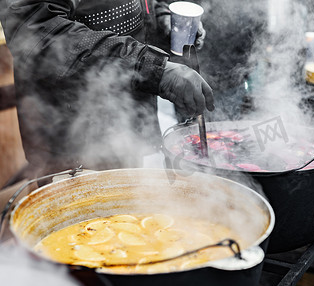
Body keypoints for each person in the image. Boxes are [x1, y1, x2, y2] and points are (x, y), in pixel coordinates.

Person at [0, 0, 214, 179]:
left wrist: (160, 19)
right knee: (82, 226)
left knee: (129, 221)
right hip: (72, 143)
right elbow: (38, 31)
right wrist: (150, 67)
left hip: (123, 129)